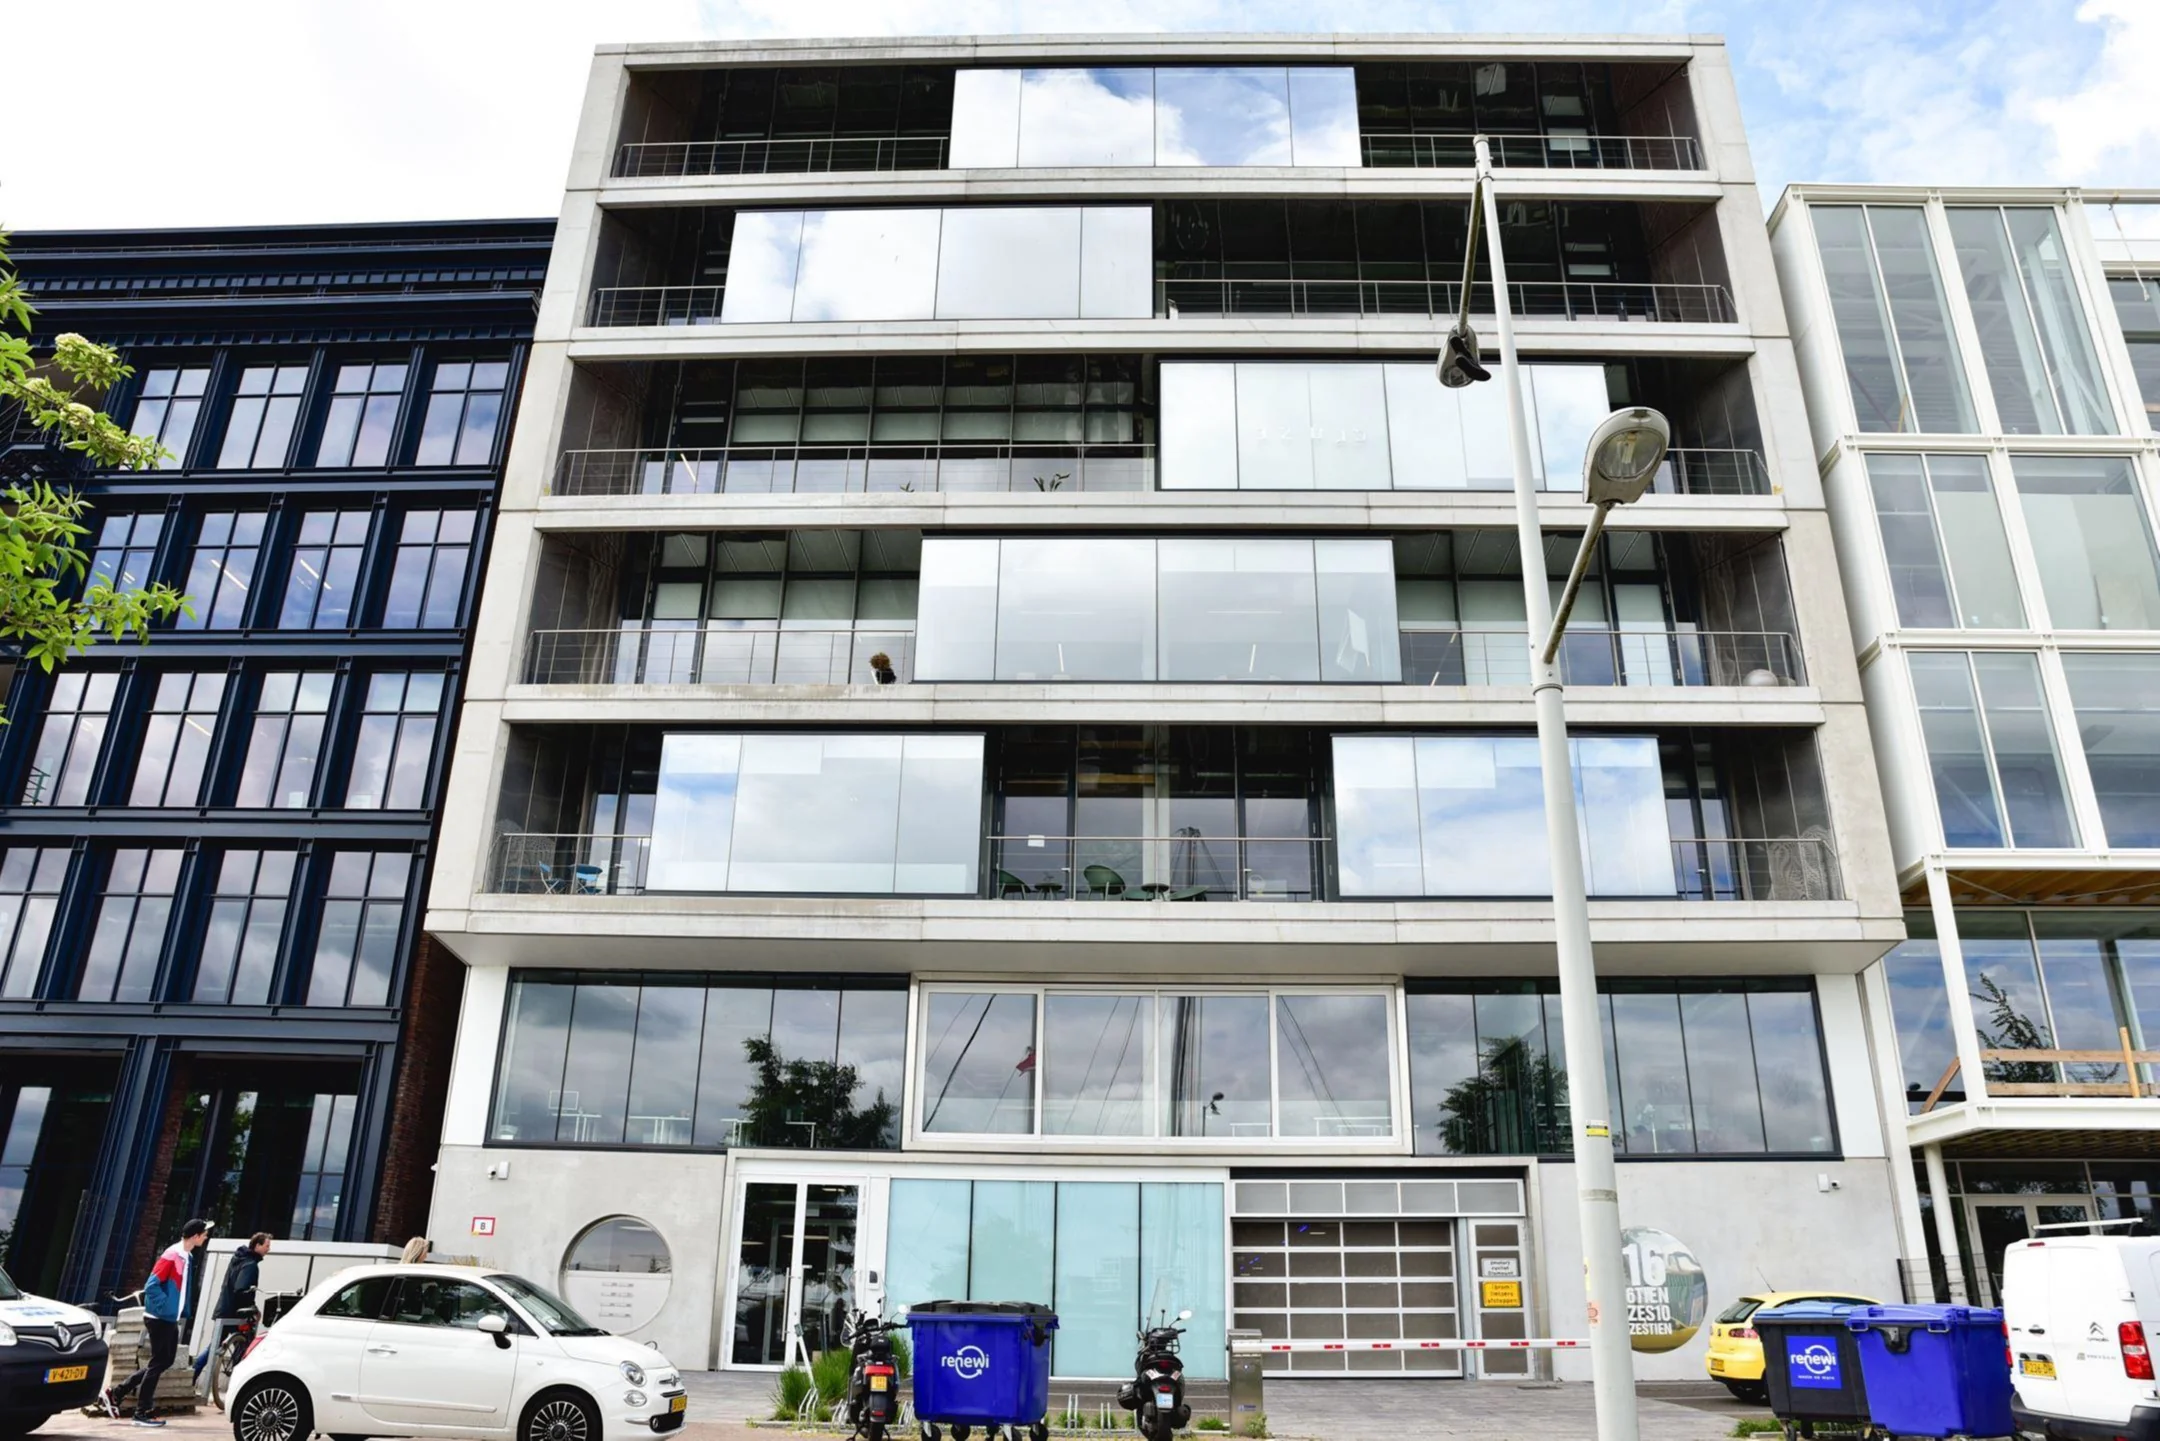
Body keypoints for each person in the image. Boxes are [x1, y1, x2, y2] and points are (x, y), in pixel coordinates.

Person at [103, 1218, 211, 1427]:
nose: (206, 1237)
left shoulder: (185, 1256)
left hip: (168, 1318)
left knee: (165, 1361)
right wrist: (166, 1308)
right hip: (159, 1318)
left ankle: (118, 1393)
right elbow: (151, 1285)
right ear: (196, 1236)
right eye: (204, 1234)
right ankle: (141, 1412)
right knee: (158, 1362)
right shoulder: (172, 1255)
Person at [193, 1233, 271, 1388]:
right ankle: (238, 1384)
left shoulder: (238, 1259)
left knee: (212, 1348)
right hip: (236, 1313)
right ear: (257, 1246)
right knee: (245, 1347)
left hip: (224, 1310)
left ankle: (192, 1377)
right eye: (267, 1245)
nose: (269, 1249)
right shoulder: (250, 1265)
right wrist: (253, 1309)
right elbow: (242, 1289)